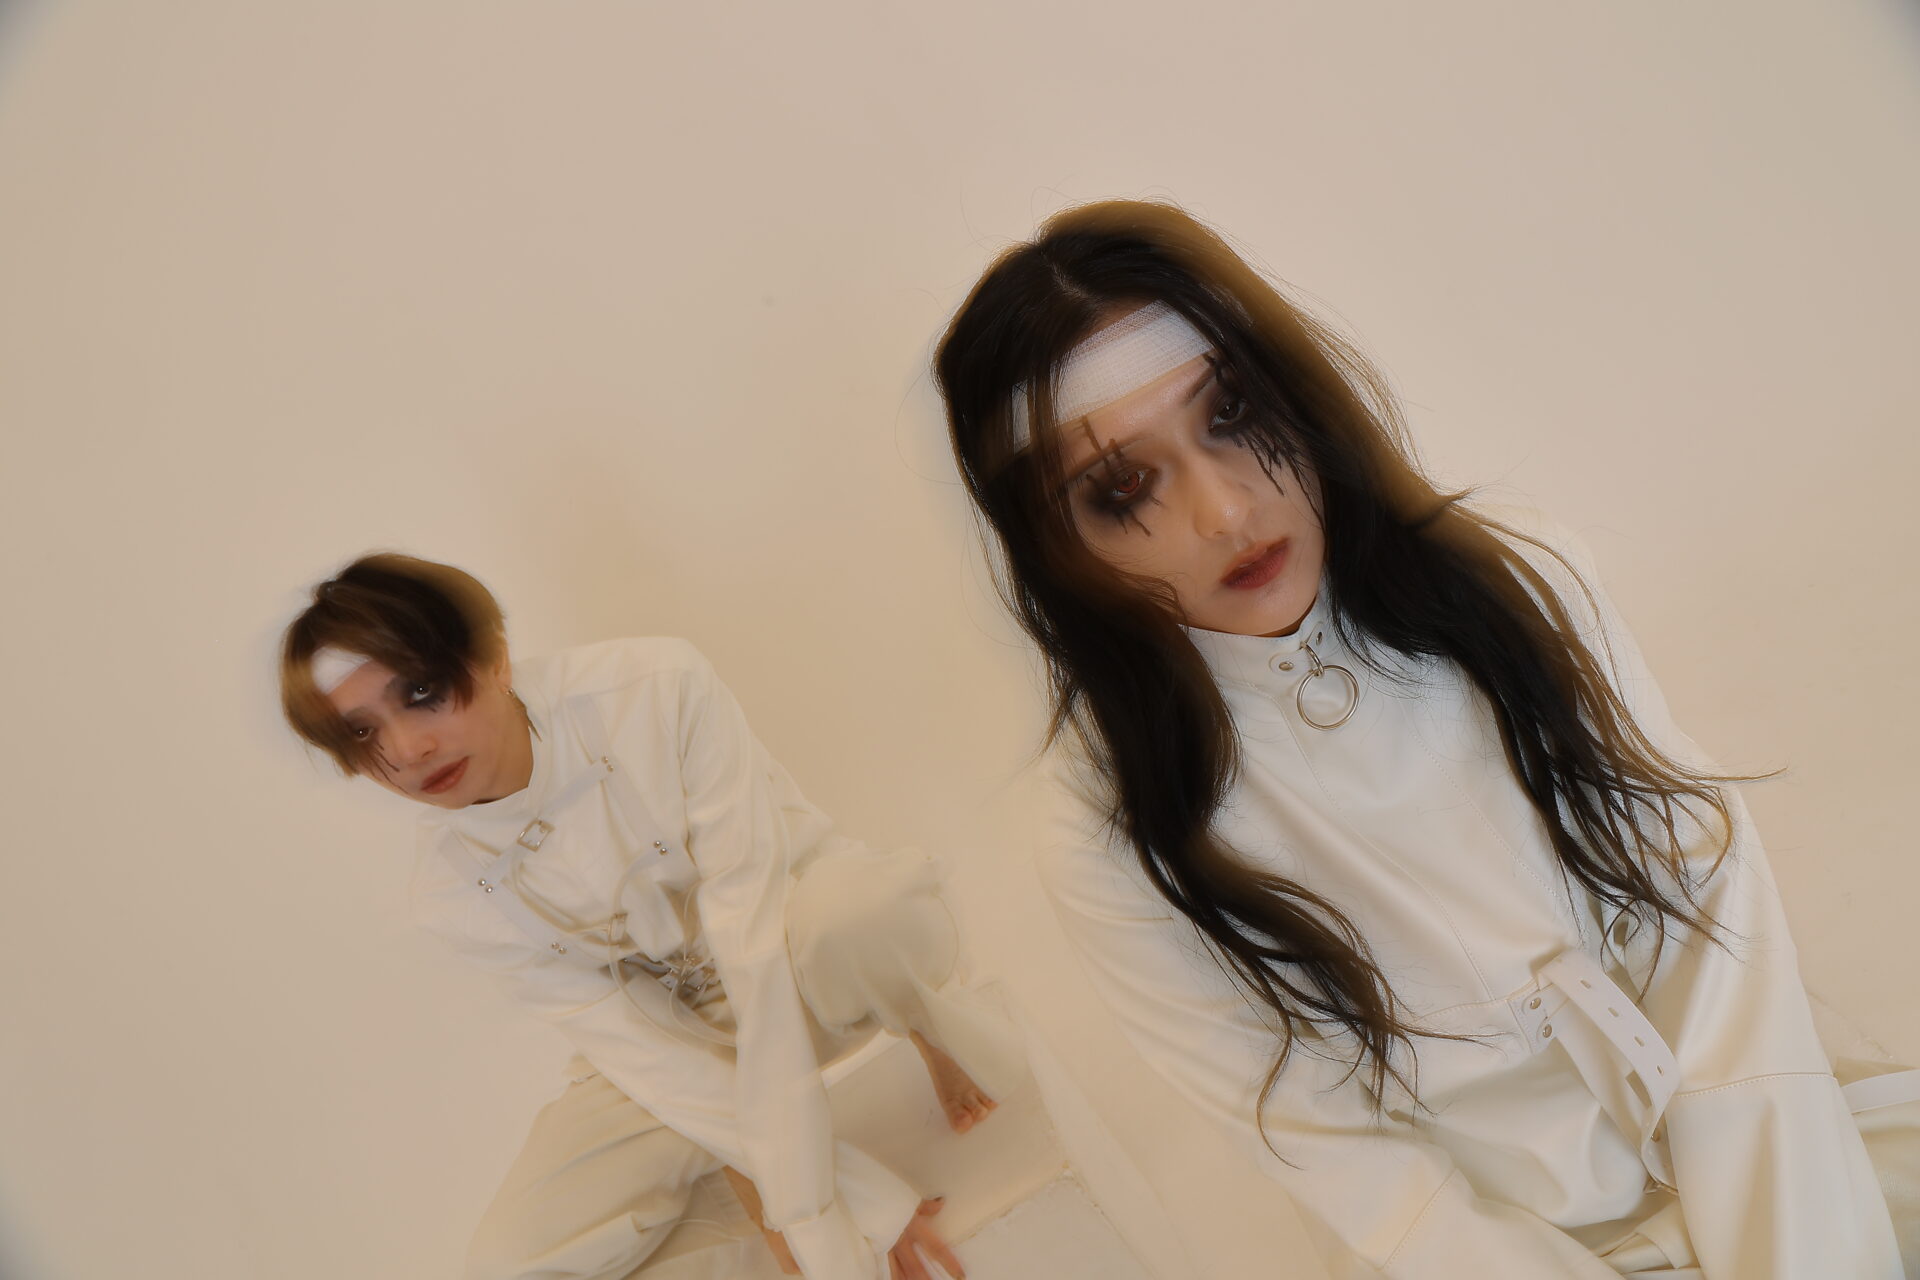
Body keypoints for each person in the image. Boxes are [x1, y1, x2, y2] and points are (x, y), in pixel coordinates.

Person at [931, 199, 1915, 1278]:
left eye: (1232, 413)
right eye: (1124, 489)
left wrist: (1787, 1247)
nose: (1225, 511)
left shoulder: (1517, 578)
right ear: (1058, 548)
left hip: (1769, 1152)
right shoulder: (1104, 834)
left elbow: (1709, 911)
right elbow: (1345, 1161)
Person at [278, 555, 1022, 1280]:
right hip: (667, 1036)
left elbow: (750, 932)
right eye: (363, 733)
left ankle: (924, 1025)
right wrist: (841, 1198)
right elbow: (649, 1060)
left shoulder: (653, 687)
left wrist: (807, 1202)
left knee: (869, 916)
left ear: (494, 658)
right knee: (508, 1264)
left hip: (794, 949)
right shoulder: (448, 894)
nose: (409, 749)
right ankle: (737, 1183)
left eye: (422, 691)